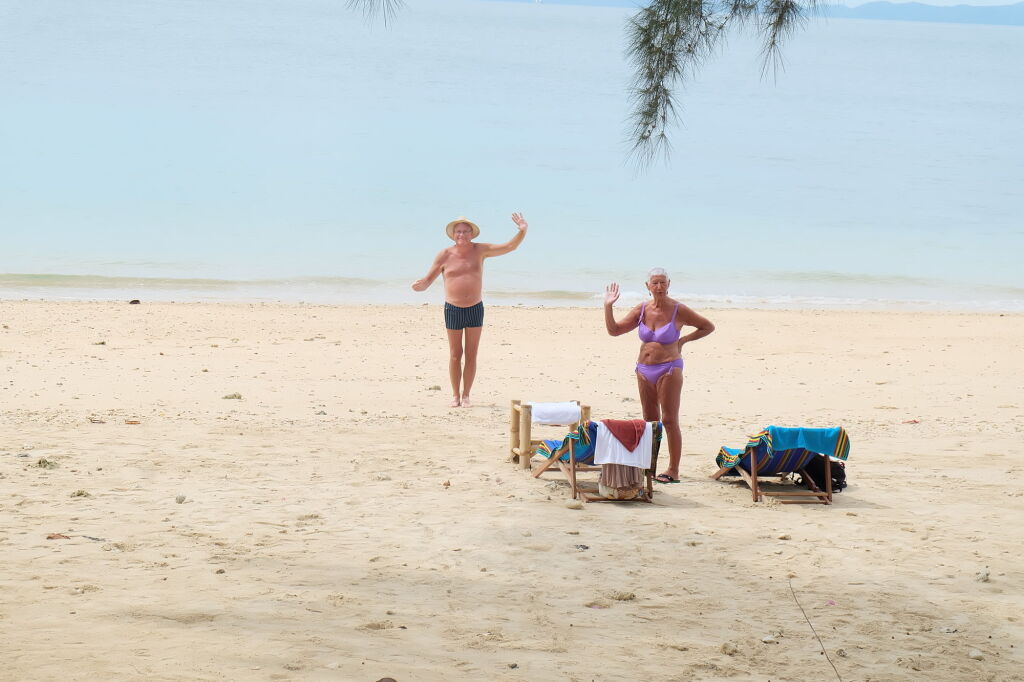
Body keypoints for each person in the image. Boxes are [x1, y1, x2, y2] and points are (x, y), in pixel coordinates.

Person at [603, 268, 715, 482]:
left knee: (669, 420)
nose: (659, 287)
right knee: (650, 422)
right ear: (648, 286)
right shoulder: (642, 309)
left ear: (669, 284)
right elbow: (614, 330)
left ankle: (673, 470)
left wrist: (683, 340)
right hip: (643, 369)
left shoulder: (678, 309)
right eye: (655, 283)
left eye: (663, 282)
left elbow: (707, 326)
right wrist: (608, 306)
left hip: (669, 368)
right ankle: (649, 467)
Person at [412, 213, 529, 407]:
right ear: (453, 234)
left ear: (472, 234)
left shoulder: (480, 250)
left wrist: (522, 231)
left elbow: (510, 247)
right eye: (458, 231)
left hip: (475, 308)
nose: (462, 235)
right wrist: (420, 286)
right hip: (453, 309)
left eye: (466, 231)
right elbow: (427, 281)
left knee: (471, 354)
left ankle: (466, 395)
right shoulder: (444, 254)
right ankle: (455, 395)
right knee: (455, 354)